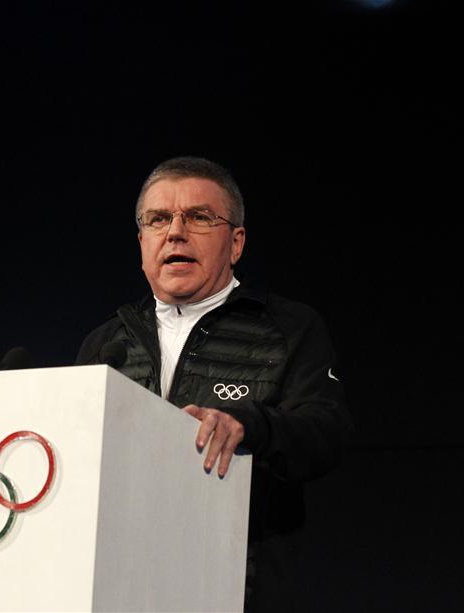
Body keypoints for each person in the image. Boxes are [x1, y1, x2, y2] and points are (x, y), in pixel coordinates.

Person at [76, 156, 351, 611]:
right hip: (119, 587)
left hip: (239, 589)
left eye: (199, 217)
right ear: (142, 241)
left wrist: (250, 426)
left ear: (236, 242)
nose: (175, 232)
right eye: (158, 219)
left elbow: (327, 432)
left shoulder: (287, 328)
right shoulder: (106, 342)